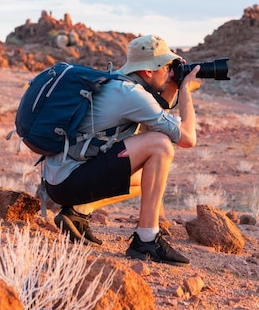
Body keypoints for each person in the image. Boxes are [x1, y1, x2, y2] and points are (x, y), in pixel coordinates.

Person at [42, 35, 201, 266]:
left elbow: (152, 124)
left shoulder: (119, 83)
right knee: (160, 145)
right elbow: (188, 138)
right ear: (148, 71)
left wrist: (173, 86)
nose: (170, 73)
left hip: (60, 179)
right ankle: (146, 240)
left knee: (151, 176)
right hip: (69, 181)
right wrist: (185, 90)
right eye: (166, 68)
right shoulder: (132, 95)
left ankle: (77, 211)